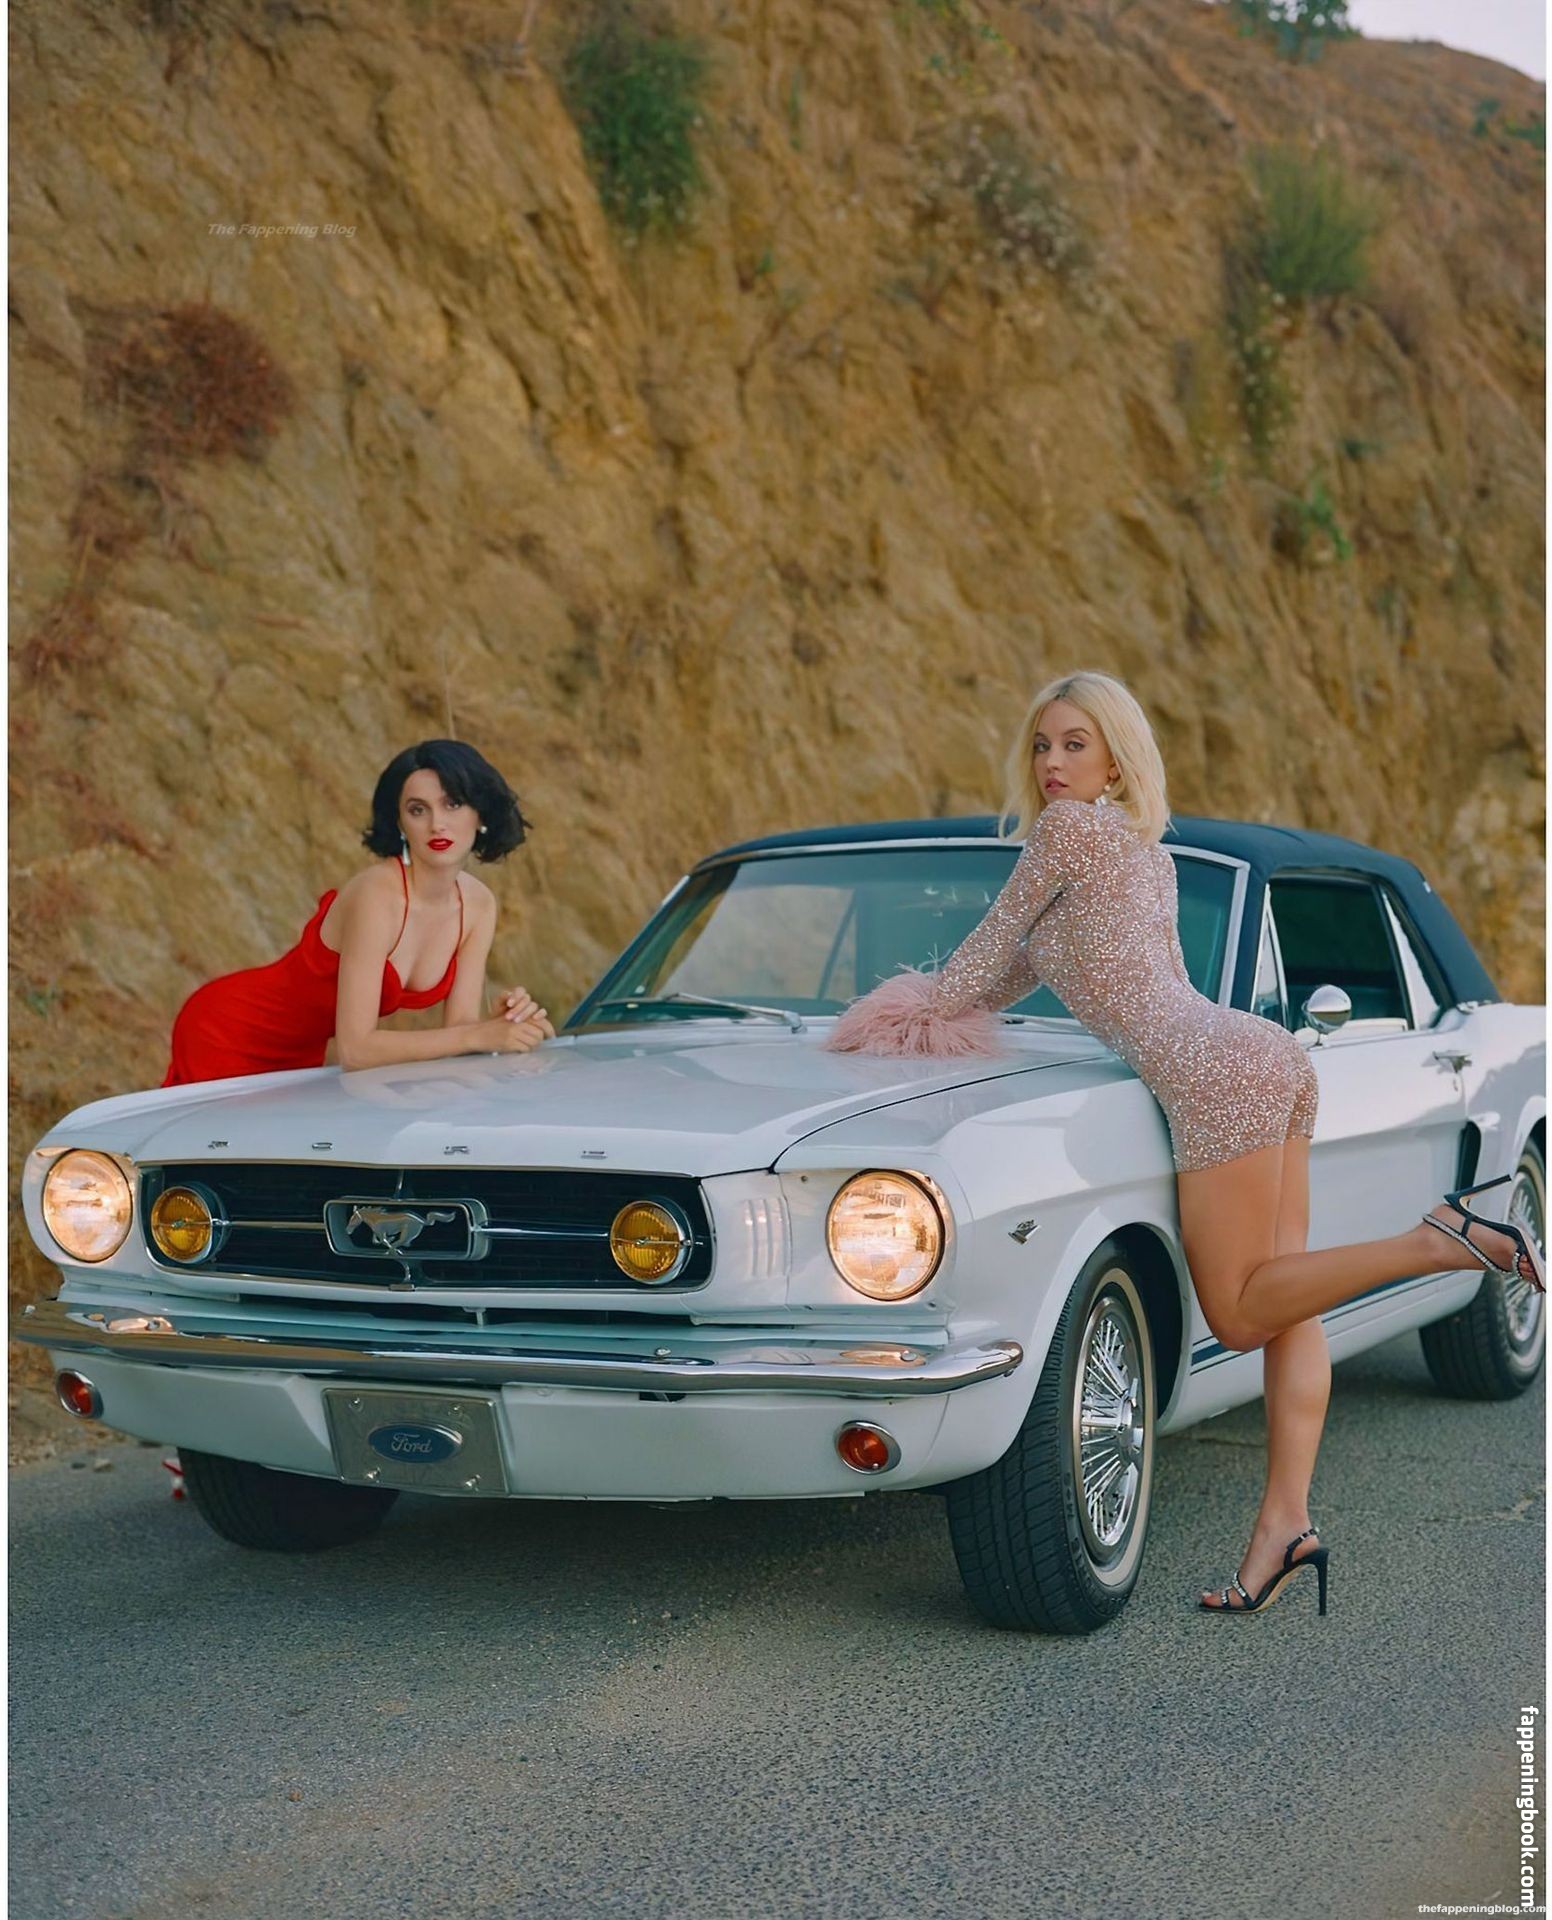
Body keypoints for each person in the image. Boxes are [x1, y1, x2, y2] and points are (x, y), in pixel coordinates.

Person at [824, 669, 1542, 1616]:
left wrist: (886, 1020)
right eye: (1041, 745)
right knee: (1289, 1303)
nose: (1051, 764)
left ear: (1117, 759)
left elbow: (979, 956)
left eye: (1074, 744)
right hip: (1263, 1052)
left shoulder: (1065, 834)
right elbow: (1014, 975)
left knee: (1239, 1316)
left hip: (1211, 1072)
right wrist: (959, 1004)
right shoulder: (1143, 854)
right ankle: (1286, 1526)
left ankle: (1435, 1240)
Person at [160, 739, 554, 1085]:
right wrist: (475, 1036)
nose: (437, 824)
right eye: (418, 810)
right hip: (230, 1031)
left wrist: (501, 1025)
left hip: (301, 1054)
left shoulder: (479, 905)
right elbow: (357, 1050)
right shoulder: (376, 894)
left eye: (452, 804)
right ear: (400, 824)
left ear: (480, 813)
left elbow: (460, 1030)